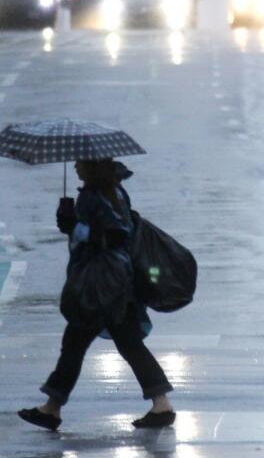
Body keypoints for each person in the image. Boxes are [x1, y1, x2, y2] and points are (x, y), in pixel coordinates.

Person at [19, 158, 175, 431]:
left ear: (93, 167)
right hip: (118, 281)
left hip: (100, 284)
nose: (76, 167)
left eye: (81, 163)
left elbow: (115, 235)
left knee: (76, 342)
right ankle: (160, 404)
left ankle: (52, 409)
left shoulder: (95, 196)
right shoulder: (115, 191)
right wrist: (74, 224)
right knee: (124, 342)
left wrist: (74, 227)